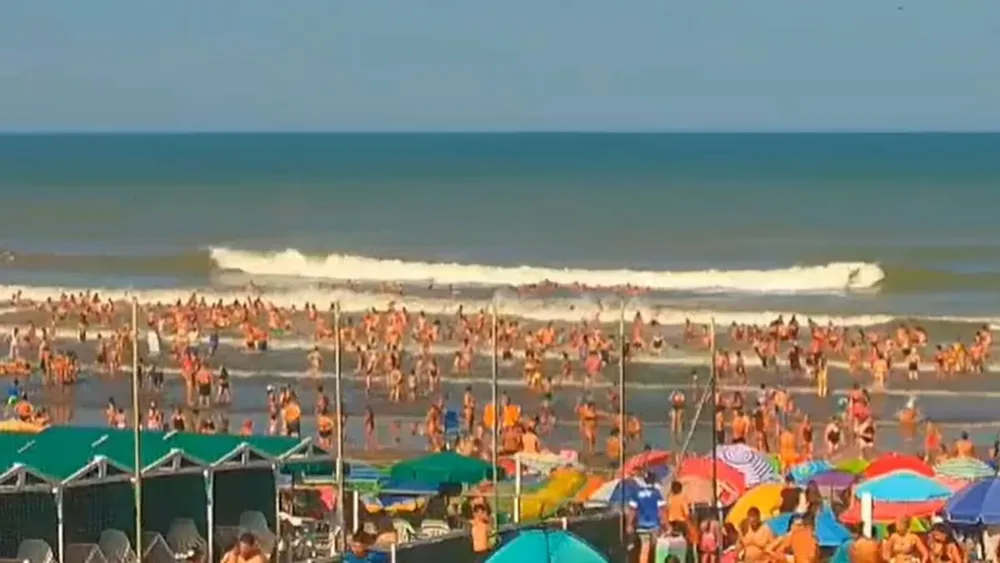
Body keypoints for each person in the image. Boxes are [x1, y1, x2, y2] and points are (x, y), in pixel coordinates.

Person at [627, 472, 667, 563]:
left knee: (644, 548)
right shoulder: (656, 493)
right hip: (654, 526)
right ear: (654, 480)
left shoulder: (637, 492)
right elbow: (662, 510)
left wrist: (629, 524)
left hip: (641, 526)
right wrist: (666, 524)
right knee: (656, 549)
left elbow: (632, 509)